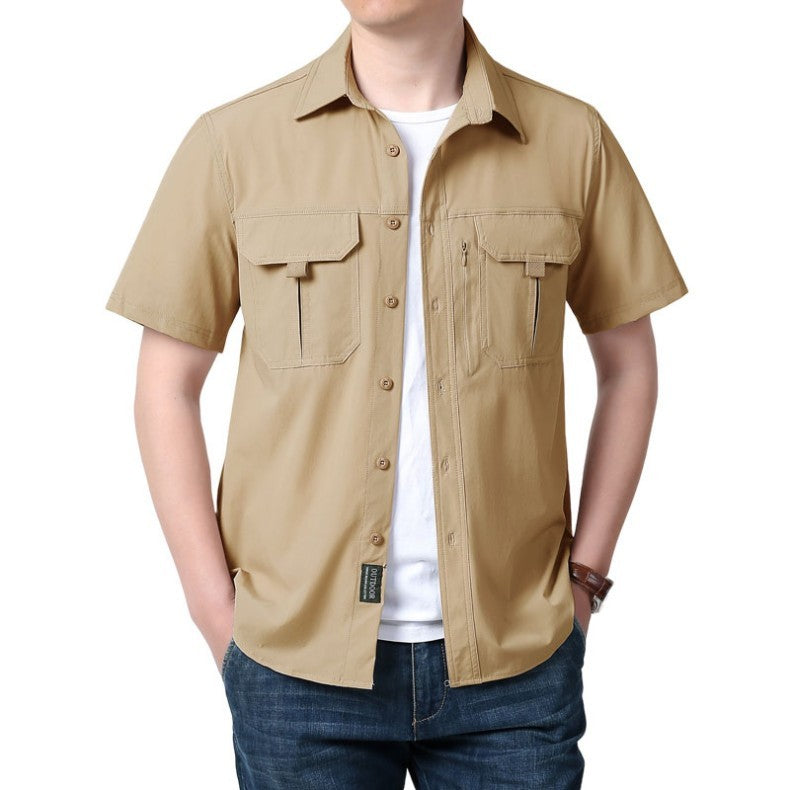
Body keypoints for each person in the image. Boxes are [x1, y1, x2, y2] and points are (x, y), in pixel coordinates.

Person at [104, 1, 688, 787]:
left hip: (516, 665)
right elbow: (165, 387)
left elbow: (628, 367)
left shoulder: (571, 140)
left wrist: (584, 581)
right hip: (297, 668)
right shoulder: (234, 143)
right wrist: (216, 612)